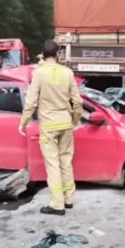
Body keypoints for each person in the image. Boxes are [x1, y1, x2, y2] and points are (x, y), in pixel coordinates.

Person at [18, 40, 83, 216]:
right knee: (66, 162)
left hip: (48, 125)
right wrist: (75, 120)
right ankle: (69, 199)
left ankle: (57, 205)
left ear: (42, 54)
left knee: (52, 164)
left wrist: (22, 122)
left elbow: (31, 102)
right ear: (58, 54)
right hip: (65, 123)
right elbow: (77, 102)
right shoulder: (68, 73)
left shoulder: (38, 74)